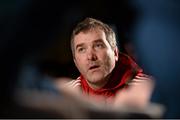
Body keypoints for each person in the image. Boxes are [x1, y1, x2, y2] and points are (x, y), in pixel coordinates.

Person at [59, 17, 154, 109]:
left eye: (98, 46)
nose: (91, 57)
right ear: (75, 61)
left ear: (115, 53)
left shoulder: (149, 90)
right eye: (82, 49)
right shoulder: (62, 96)